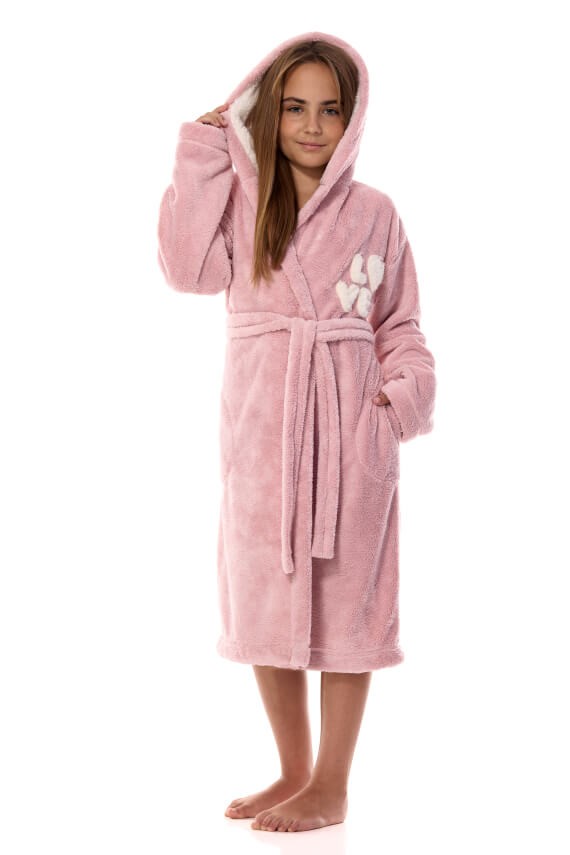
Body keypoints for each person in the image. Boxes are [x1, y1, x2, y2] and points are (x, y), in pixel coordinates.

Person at [157, 31, 436, 833]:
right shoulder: (246, 203)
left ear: (353, 118)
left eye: (330, 109)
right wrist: (203, 152)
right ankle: (291, 768)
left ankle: (332, 782)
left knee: (350, 602)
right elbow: (185, 270)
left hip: (350, 429)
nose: (313, 125)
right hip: (262, 427)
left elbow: (400, 323)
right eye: (294, 108)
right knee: (264, 595)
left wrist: (400, 400)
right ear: (267, 112)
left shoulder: (376, 213)